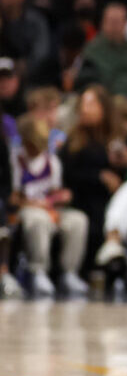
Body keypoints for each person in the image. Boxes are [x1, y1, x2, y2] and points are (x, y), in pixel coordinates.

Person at [13, 114, 90, 296]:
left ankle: (69, 272)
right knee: (38, 219)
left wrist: (62, 197)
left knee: (78, 219)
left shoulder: (52, 162)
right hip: (25, 210)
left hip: (50, 209)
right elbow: (13, 198)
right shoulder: (16, 160)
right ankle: (38, 271)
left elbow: (54, 193)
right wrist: (33, 203)